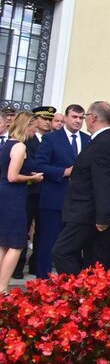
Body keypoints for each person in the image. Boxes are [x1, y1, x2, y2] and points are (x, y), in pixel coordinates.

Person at [52, 101, 110, 273]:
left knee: (62, 252)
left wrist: (103, 216)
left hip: (87, 212)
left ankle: (75, 287)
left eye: (86, 116)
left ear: (94, 118)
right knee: (91, 260)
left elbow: (104, 182)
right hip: (85, 211)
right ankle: (84, 286)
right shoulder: (100, 140)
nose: (84, 119)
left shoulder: (104, 142)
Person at [33, 104, 89, 278]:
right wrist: (63, 172)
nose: (78, 121)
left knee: (73, 246)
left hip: (78, 202)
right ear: (65, 118)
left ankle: (70, 282)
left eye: (81, 118)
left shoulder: (88, 140)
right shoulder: (51, 139)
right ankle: (43, 281)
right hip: (54, 199)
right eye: (74, 117)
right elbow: (39, 165)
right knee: (48, 242)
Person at [0, 112, 44, 292]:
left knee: (3, 242)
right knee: (17, 244)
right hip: (13, 197)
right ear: (27, 126)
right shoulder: (19, 146)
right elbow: (12, 176)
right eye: (34, 127)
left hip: (6, 194)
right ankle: (3, 288)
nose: (35, 131)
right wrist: (33, 178)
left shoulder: (8, 143)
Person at [14, 105, 53, 279]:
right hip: (29, 190)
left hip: (46, 191)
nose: (47, 122)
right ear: (35, 120)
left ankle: (36, 265)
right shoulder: (27, 140)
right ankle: (17, 266)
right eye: (44, 119)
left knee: (43, 231)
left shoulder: (52, 139)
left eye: (50, 119)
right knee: (23, 228)